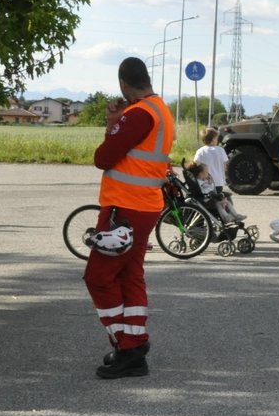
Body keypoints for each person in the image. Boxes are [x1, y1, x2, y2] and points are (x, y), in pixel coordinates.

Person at [85, 57, 175, 379]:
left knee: (98, 276)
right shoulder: (161, 108)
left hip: (125, 208)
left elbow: (103, 157)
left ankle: (129, 348)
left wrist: (112, 125)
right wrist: (116, 123)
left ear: (124, 84)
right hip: (146, 205)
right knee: (130, 275)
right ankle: (135, 343)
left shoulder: (138, 113)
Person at [185, 160, 244, 225]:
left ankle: (235, 215)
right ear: (201, 173)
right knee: (218, 203)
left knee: (226, 201)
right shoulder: (198, 183)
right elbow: (204, 192)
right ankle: (226, 217)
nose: (208, 173)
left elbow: (212, 189)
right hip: (206, 199)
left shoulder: (205, 181)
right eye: (206, 172)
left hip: (211, 197)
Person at [192, 128, 229, 193]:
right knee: (218, 198)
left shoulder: (200, 151)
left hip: (205, 182)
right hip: (218, 182)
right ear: (213, 139)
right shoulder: (221, 150)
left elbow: (195, 164)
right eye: (217, 138)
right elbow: (225, 165)